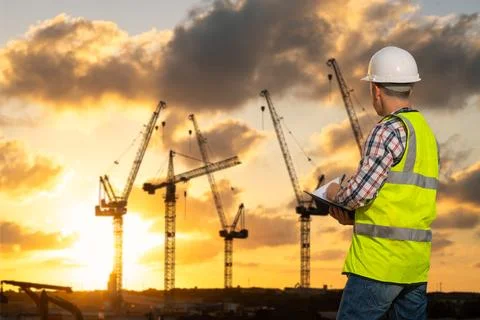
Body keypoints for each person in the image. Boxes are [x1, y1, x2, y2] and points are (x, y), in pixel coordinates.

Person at [326, 46, 439, 320]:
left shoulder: (387, 129)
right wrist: (356, 220)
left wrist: (333, 192)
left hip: (378, 265)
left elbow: (358, 195)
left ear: (376, 90)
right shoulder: (425, 133)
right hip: (413, 268)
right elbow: (403, 203)